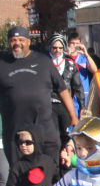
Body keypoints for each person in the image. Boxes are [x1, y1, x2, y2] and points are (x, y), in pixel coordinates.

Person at [0, 26, 78, 170]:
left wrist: (73, 116)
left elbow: (62, 90)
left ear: (28, 42)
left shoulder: (43, 61)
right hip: (14, 131)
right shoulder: (2, 63)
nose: (17, 43)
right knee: (19, 175)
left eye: (21, 40)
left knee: (48, 172)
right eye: (13, 40)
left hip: (44, 129)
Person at [48, 34, 85, 150]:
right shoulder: (45, 63)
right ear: (50, 48)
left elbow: (78, 87)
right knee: (52, 134)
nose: (57, 50)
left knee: (66, 134)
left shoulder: (70, 64)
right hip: (48, 105)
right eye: (54, 48)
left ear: (63, 48)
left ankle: (66, 157)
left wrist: (82, 105)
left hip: (65, 104)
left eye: (60, 48)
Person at [67, 32, 98, 110]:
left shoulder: (83, 58)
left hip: (84, 93)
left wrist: (86, 54)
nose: (75, 46)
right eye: (72, 43)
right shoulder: (65, 58)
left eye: (77, 43)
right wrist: (67, 55)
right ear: (68, 44)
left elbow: (94, 70)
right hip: (70, 94)